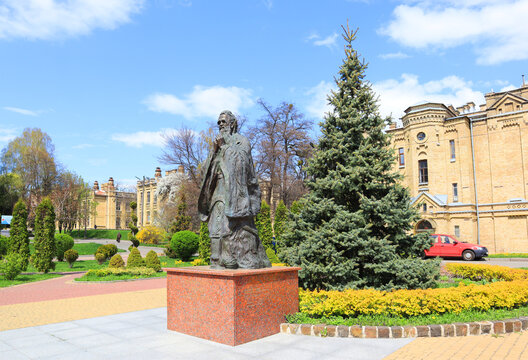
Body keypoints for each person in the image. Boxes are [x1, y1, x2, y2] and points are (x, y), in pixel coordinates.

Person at [198, 110, 271, 269]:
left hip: (234, 191)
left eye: (223, 121)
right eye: (218, 122)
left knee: (227, 224)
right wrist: (215, 150)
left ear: (232, 123)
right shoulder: (217, 143)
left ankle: (230, 258)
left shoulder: (241, 141)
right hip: (218, 187)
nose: (220, 125)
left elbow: (243, 161)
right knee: (215, 225)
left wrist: (224, 148)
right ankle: (215, 260)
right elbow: (205, 169)